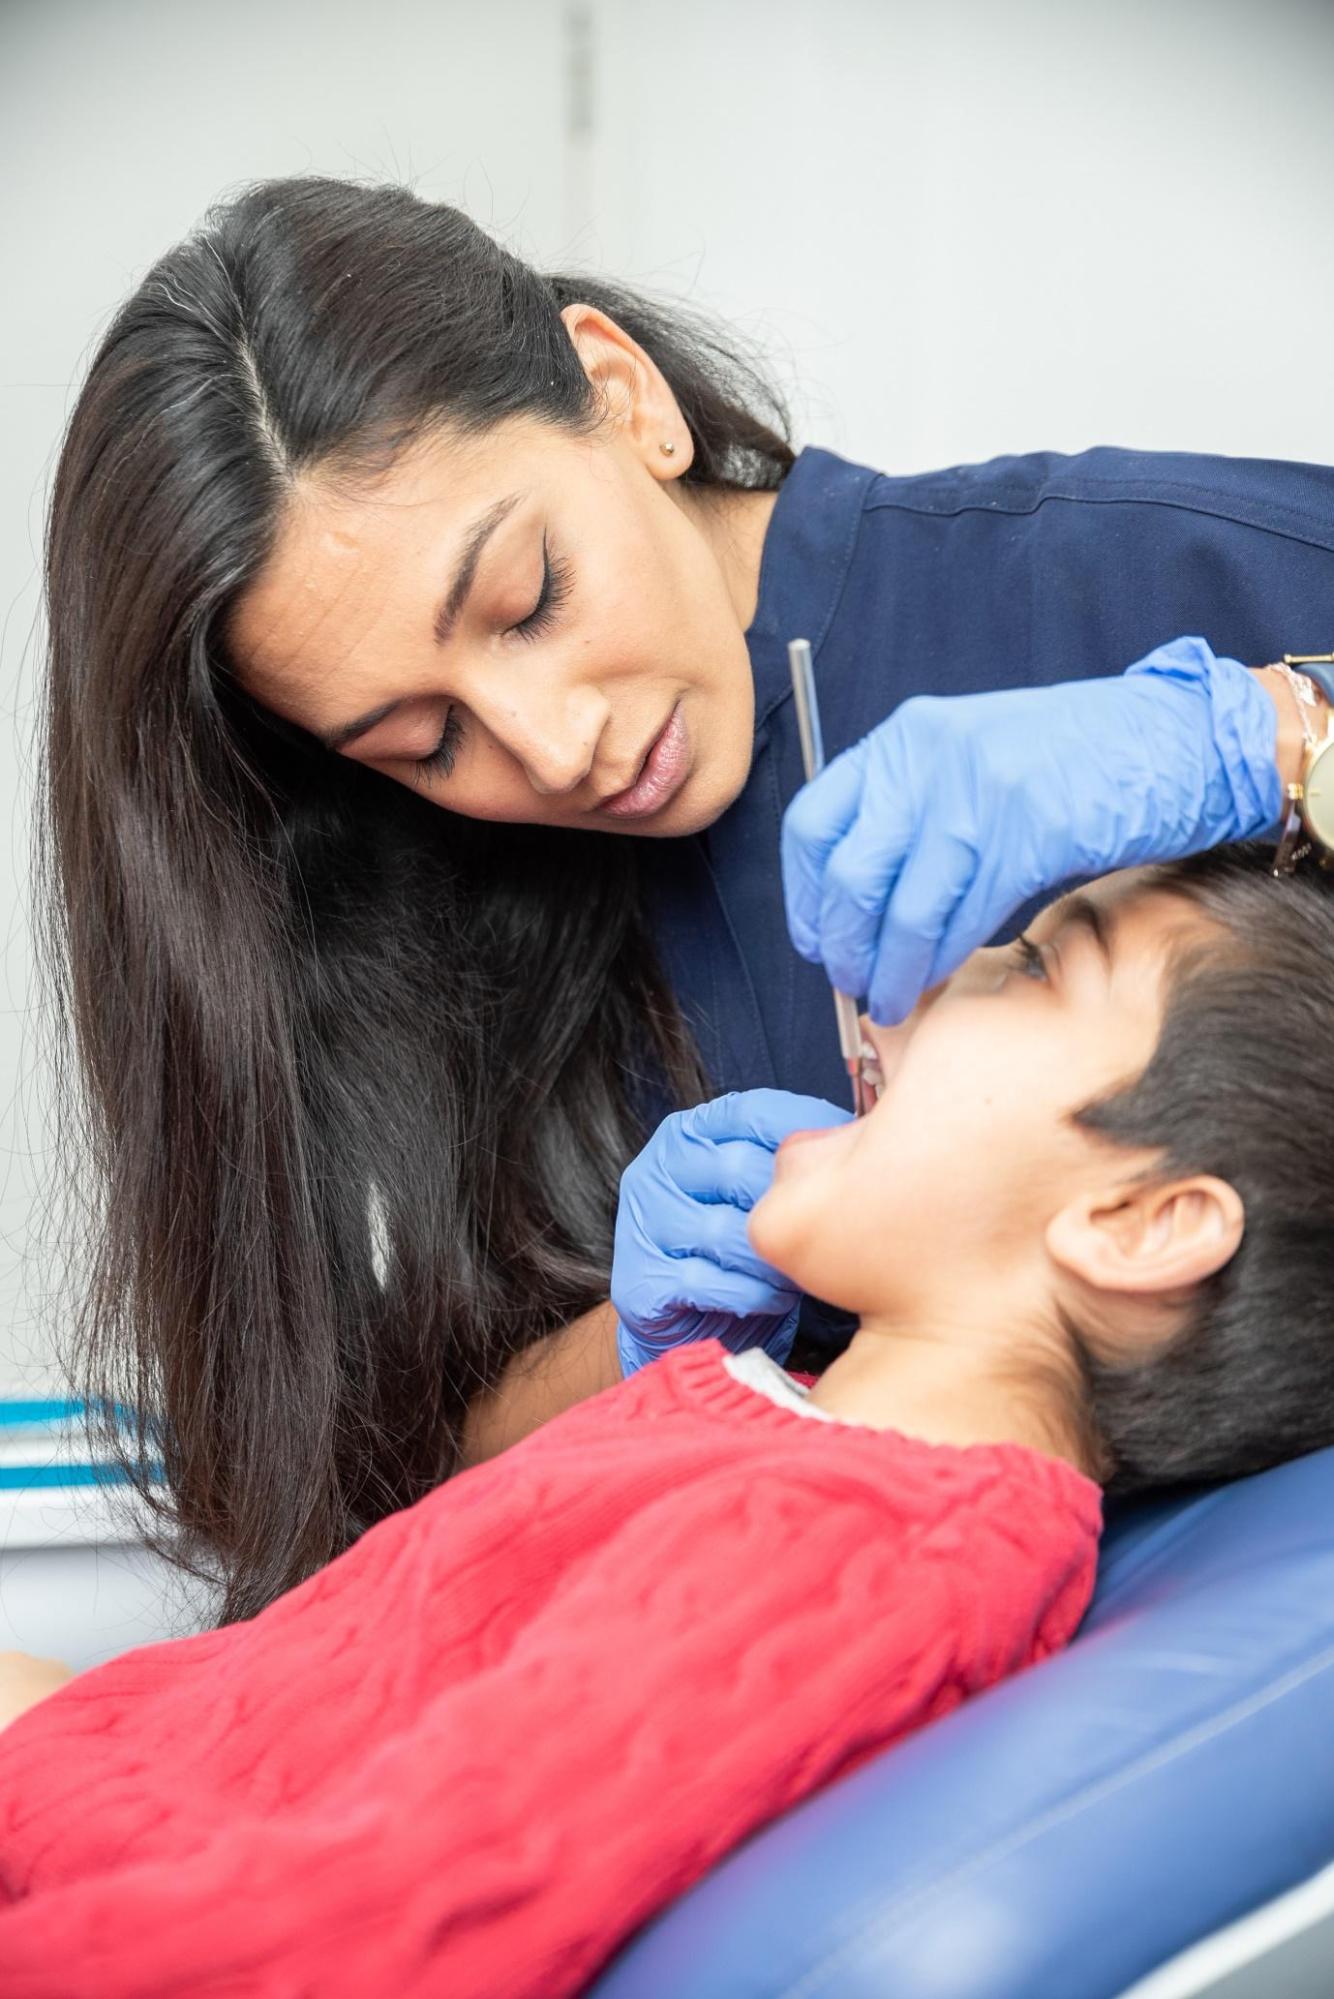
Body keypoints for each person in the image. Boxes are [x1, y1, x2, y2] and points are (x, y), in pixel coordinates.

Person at [39, 172, 1334, 1628]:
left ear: (622, 394)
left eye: (530, 598)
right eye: (425, 739)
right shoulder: (432, 895)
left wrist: (1271, 746)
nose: (551, 747)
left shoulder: (1122, 567)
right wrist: (630, 1353)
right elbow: (385, 1487)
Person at [3, 841, 1332, 1997]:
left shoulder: (855, 1551)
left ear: (1140, 1224)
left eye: (1035, 964)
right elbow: (298, 1712)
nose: (932, 972)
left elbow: (340, 1934)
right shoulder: (775, 1442)